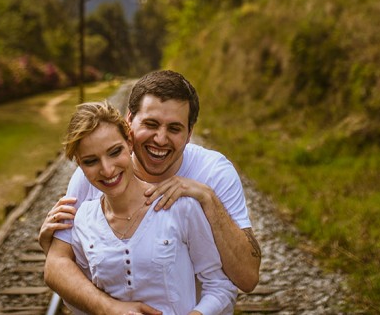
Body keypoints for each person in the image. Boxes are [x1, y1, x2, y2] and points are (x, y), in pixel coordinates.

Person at [42, 70, 261, 315]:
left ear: (190, 133)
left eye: (174, 128)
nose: (160, 139)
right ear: (129, 123)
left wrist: (208, 199)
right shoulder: (91, 178)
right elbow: (57, 264)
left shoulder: (213, 172)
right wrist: (112, 308)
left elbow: (246, 278)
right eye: (151, 124)